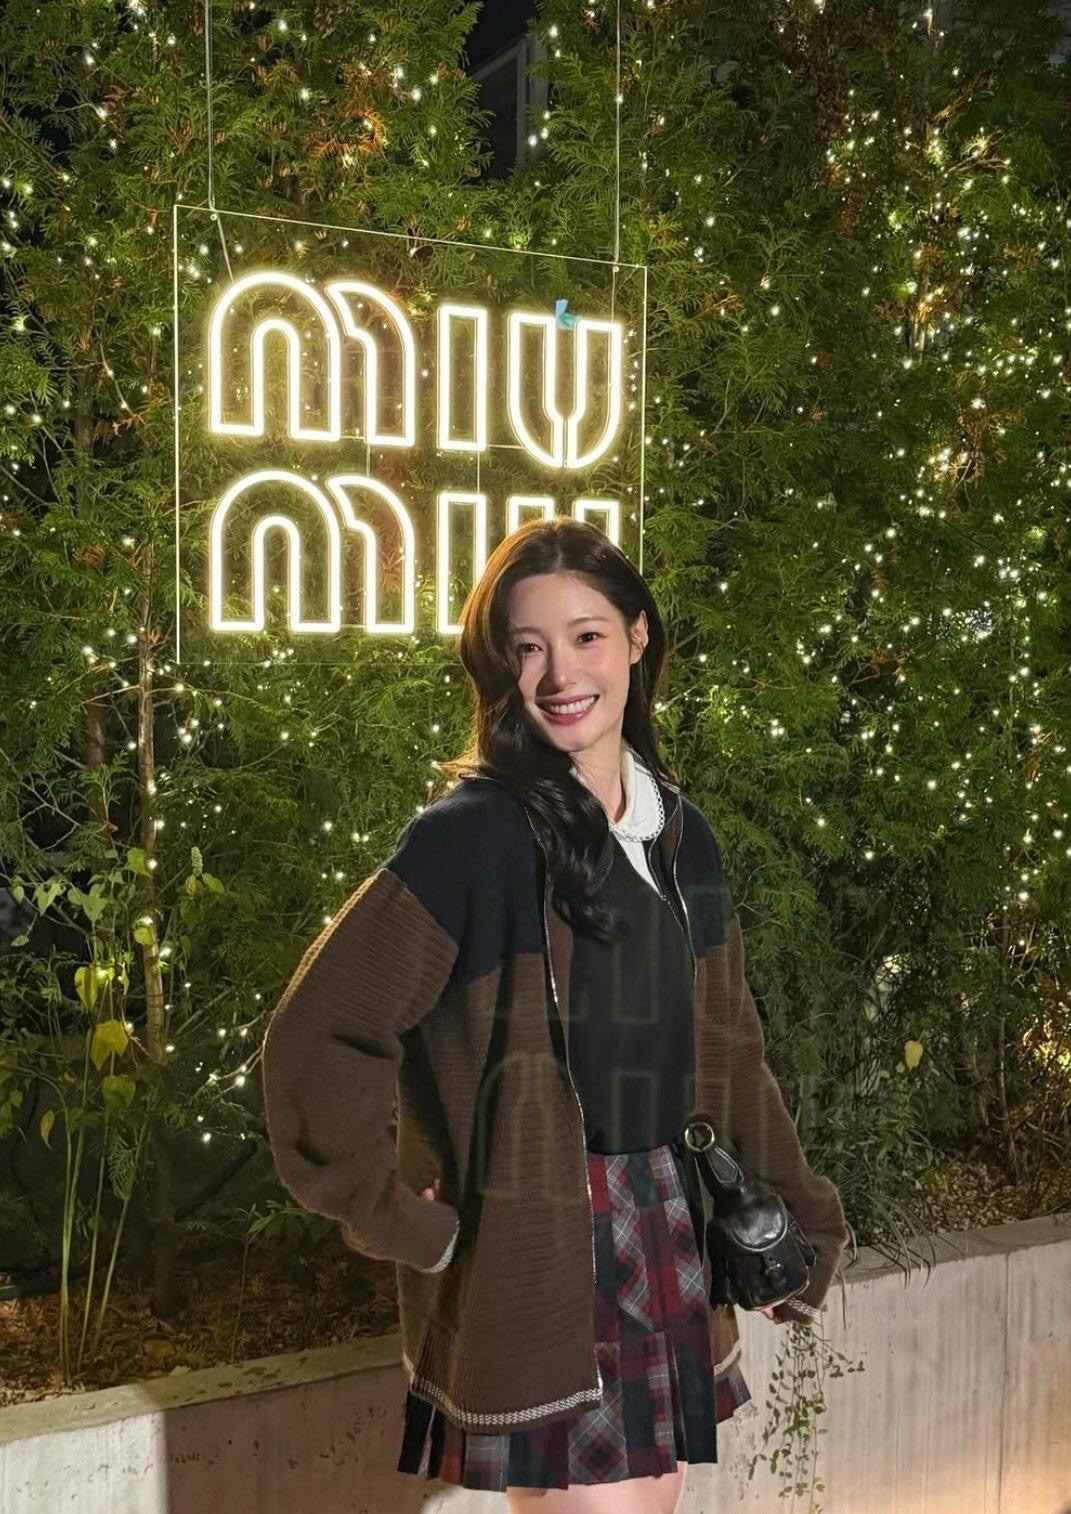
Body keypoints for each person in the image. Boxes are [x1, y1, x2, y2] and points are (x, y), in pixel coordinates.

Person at [261, 517, 848, 1512]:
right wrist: (400, 1215)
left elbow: (731, 1048)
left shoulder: (679, 833)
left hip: (668, 1215)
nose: (559, 672)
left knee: (649, 1503)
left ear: (638, 636)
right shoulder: (471, 840)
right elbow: (318, 1034)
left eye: (585, 635)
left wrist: (800, 1218)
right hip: (541, 1235)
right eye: (527, 647)